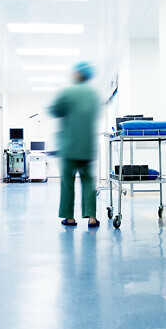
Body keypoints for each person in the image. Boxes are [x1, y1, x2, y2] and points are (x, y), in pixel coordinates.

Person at [49, 62, 100, 228]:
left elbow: (54, 110)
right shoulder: (93, 95)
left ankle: (69, 218)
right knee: (88, 183)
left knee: (67, 183)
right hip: (87, 148)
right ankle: (92, 218)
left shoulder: (68, 92)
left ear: (78, 74)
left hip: (69, 148)